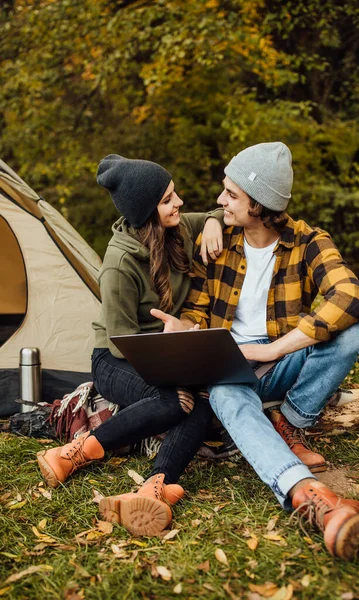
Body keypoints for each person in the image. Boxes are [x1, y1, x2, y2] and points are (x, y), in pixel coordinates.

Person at [150, 142, 359, 561]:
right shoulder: (216, 241)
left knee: (350, 333)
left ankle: (288, 420)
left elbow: (351, 296)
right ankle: (312, 498)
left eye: (231, 194)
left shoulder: (308, 241)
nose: (219, 201)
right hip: (230, 364)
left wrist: (272, 348)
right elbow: (198, 308)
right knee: (224, 395)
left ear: (260, 204)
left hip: (280, 355)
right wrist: (187, 328)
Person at [37, 154, 224, 536]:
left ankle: (153, 488)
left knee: (202, 394)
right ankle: (76, 453)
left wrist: (210, 222)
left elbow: (218, 213)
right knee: (178, 400)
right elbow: (124, 344)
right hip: (116, 358)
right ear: (147, 211)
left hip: (164, 352)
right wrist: (172, 347)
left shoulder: (178, 230)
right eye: (169, 199)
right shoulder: (119, 265)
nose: (179, 203)